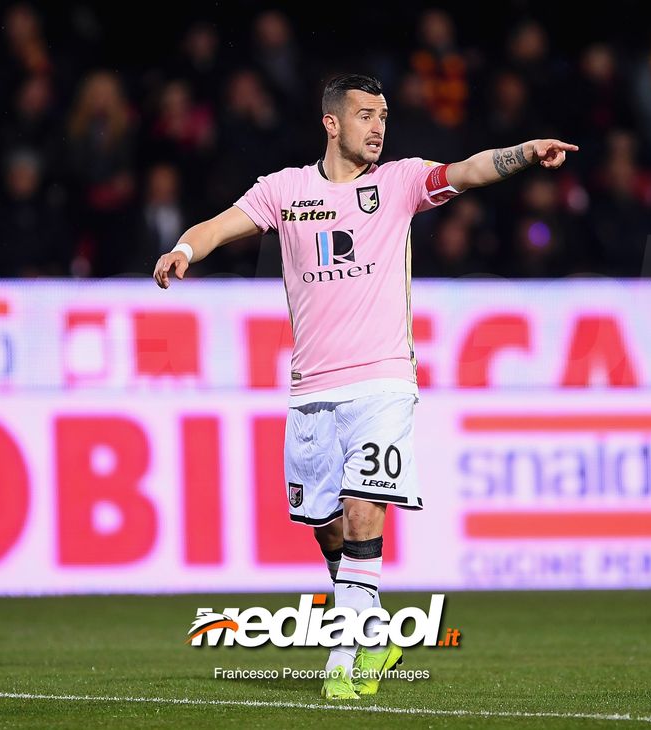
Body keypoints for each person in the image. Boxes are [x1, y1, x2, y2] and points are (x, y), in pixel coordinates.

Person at [154, 73, 576, 699]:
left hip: (382, 382)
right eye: (365, 116)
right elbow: (218, 225)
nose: (379, 127)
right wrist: (185, 250)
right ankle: (372, 627)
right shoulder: (285, 190)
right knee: (325, 526)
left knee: (362, 509)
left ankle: (347, 653)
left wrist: (522, 153)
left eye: (384, 116)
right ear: (332, 123)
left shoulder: (400, 183)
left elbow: (466, 170)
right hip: (311, 393)